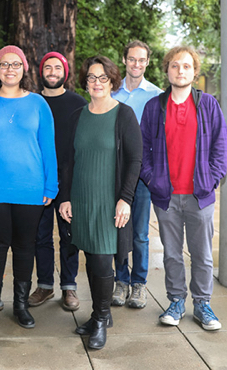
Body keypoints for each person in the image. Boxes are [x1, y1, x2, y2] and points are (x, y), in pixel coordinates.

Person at [0, 45, 58, 332]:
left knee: (24, 247)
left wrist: (51, 184)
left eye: (16, 64)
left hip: (30, 189)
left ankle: (20, 305)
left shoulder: (39, 104)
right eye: (4, 64)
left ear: (24, 69)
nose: (10, 69)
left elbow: (48, 148)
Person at [140, 46, 227, 331]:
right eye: (175, 66)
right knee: (172, 253)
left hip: (200, 195)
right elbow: (143, 149)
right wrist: (152, 180)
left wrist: (212, 179)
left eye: (187, 66)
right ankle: (176, 300)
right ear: (166, 70)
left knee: (202, 254)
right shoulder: (155, 107)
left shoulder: (208, 105)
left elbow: (220, 146)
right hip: (166, 195)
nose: (181, 71)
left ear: (194, 71)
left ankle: (202, 304)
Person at [59, 55, 142, 350]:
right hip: (82, 199)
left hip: (109, 202)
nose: (96, 83)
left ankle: (102, 318)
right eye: (91, 78)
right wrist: (65, 197)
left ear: (112, 81)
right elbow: (68, 161)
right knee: (90, 258)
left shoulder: (124, 115)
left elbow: (134, 160)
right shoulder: (77, 117)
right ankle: (98, 315)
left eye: (102, 77)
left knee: (103, 260)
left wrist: (125, 199)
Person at [28, 52, 87, 311]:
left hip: (69, 181)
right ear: (41, 72)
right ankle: (44, 285)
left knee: (69, 236)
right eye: (47, 67)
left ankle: (69, 287)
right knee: (39, 236)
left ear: (65, 72)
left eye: (57, 67)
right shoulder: (30, 101)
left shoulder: (78, 103)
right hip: (36, 181)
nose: (52, 72)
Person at [111, 40, 162, 308]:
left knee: (140, 233)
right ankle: (121, 281)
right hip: (114, 173)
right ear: (124, 59)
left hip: (142, 175)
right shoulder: (112, 93)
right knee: (118, 229)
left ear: (147, 62)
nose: (137, 64)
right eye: (132, 59)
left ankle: (139, 284)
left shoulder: (156, 95)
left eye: (142, 60)